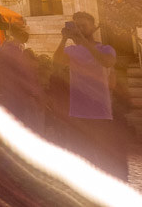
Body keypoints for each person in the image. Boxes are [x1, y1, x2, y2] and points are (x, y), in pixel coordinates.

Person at [53, 10, 125, 178]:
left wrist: (84, 41)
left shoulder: (106, 48)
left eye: (83, 26)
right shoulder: (72, 50)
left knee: (103, 157)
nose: (79, 29)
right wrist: (64, 38)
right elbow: (56, 62)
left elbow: (106, 62)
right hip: (78, 112)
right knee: (81, 156)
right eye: (76, 26)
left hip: (100, 112)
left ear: (93, 28)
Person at [0, 25, 43, 131]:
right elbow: (24, 74)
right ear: (19, 33)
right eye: (25, 32)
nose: (28, 35)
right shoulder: (12, 50)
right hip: (17, 95)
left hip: (15, 94)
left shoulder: (11, 49)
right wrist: (33, 93)